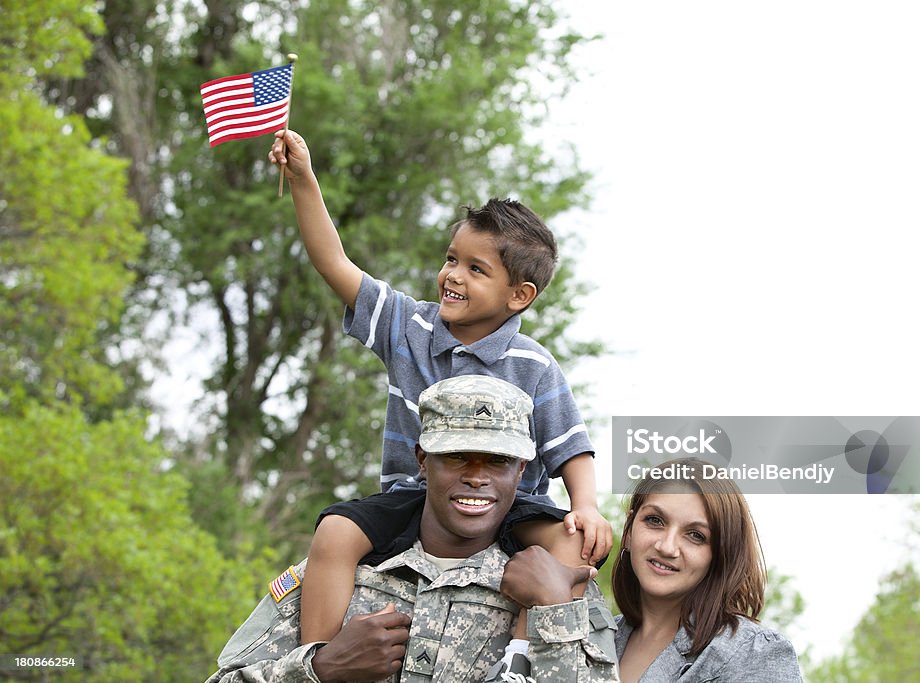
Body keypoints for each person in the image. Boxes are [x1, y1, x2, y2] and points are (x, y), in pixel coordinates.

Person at [267, 129, 613, 645]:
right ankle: (317, 659)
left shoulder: (533, 365)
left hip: (510, 507)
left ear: (519, 295)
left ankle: (518, 664)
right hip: (415, 498)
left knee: (567, 547)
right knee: (335, 532)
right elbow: (334, 263)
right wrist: (304, 182)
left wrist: (584, 505)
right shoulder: (409, 327)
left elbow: (570, 446)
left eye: (477, 269)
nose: (453, 275)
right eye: (452, 259)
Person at [205, 375, 619, 682]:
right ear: (423, 460)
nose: (477, 477)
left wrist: (552, 615)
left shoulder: (556, 584)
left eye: (498, 461)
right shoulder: (352, 568)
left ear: (521, 470)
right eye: (457, 456)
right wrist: (321, 667)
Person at [611, 457, 803, 682]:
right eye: (655, 520)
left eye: (696, 535)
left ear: (720, 556)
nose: (667, 547)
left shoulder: (753, 654)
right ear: (628, 532)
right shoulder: (595, 638)